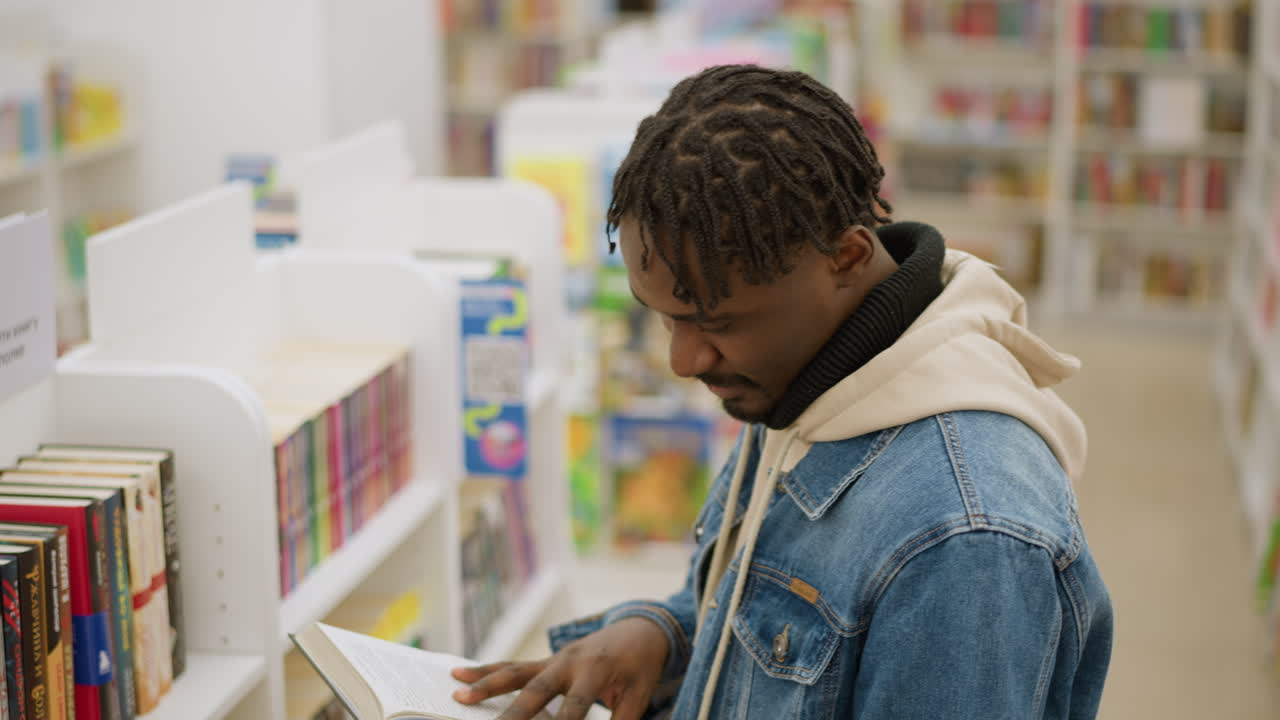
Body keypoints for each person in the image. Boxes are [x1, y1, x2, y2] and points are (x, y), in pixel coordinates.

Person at [451, 64, 1113, 720]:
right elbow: (775, 616)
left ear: (847, 259)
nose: (684, 360)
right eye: (666, 317)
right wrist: (664, 634)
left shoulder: (965, 541)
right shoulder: (811, 372)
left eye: (716, 321)